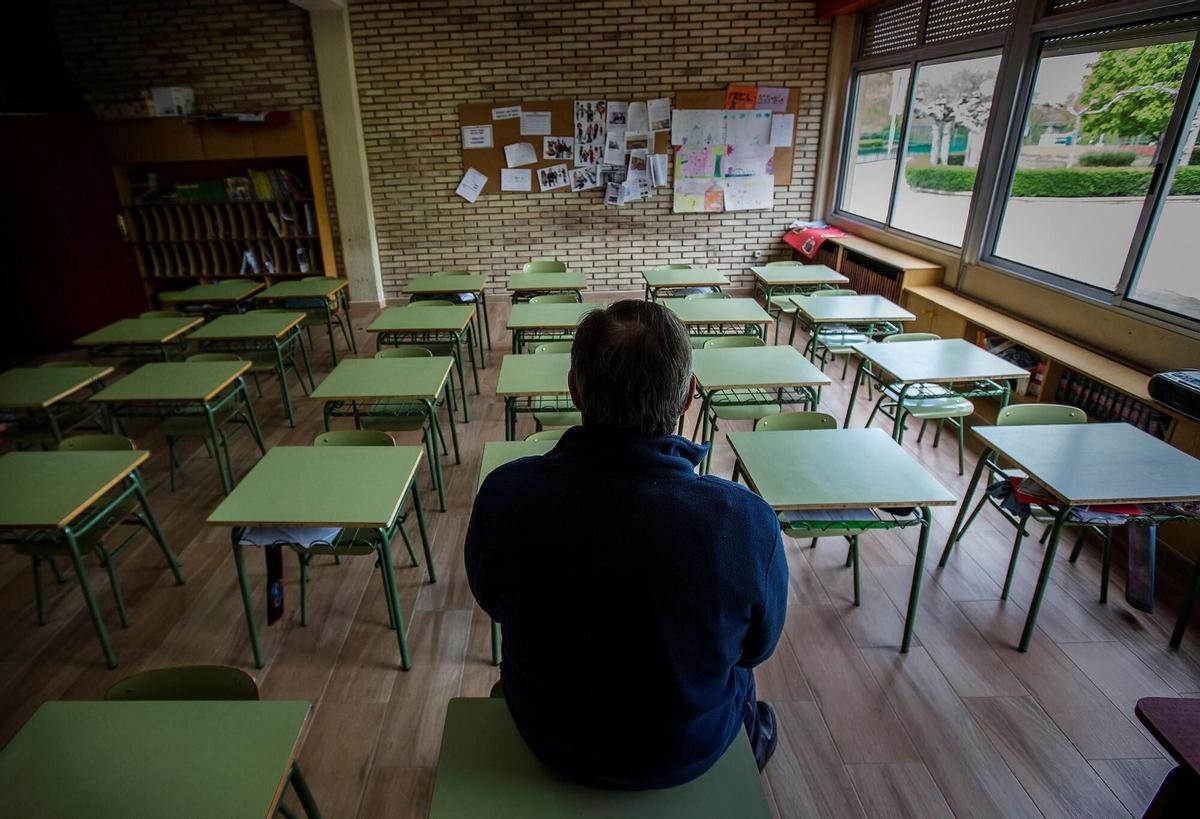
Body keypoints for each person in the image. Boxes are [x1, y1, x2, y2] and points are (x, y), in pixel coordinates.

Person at [465, 300, 787, 789]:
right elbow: (756, 649)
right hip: (686, 752)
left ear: (574, 390)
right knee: (741, 679)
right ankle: (752, 740)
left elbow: (490, 598)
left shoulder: (504, 495)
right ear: (688, 397)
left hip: (549, 737)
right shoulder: (747, 522)